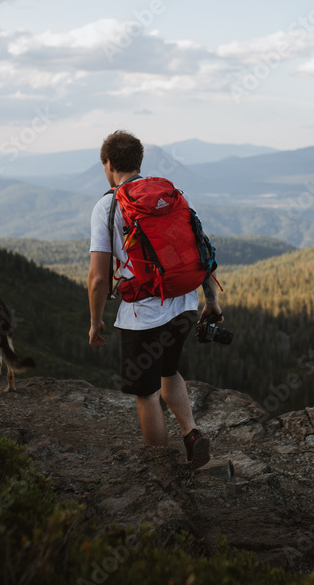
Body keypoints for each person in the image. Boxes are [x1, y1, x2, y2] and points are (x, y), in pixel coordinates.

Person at [88, 130, 222, 468]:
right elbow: (200, 251)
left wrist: (95, 321)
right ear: (139, 161)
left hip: (142, 317)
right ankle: (191, 433)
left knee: (146, 395)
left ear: (108, 164)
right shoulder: (174, 194)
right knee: (169, 372)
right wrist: (212, 300)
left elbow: (99, 277)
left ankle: (162, 470)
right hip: (184, 303)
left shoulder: (108, 205)